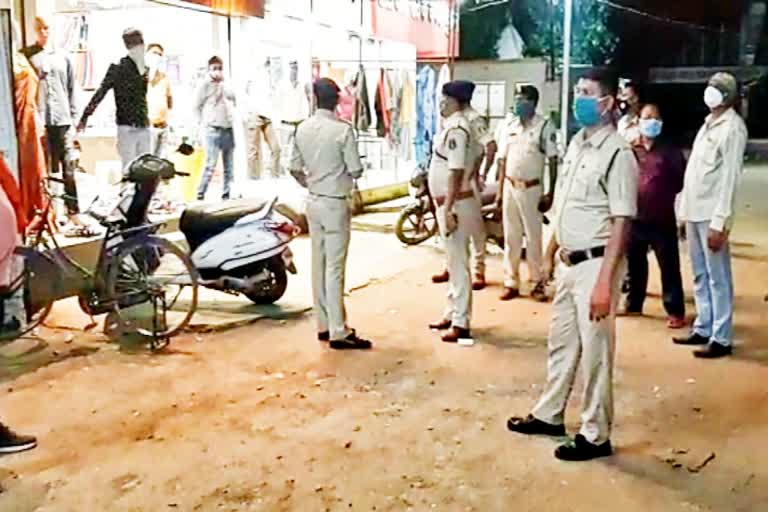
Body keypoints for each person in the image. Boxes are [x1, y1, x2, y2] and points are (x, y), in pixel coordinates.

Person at [507, 69, 638, 461]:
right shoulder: (578, 145)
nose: (579, 98)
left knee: (596, 352)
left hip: (595, 266)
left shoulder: (618, 153)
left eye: (588, 93)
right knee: (561, 343)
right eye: (577, 91)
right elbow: (563, 205)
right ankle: (550, 414)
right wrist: (547, 254)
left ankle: (596, 435)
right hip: (567, 262)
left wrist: (604, 283)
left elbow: (621, 221)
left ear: (608, 102)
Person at [289, 78, 372, 350]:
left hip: (313, 200)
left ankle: (323, 325)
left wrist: (312, 184)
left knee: (318, 263)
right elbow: (356, 169)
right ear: (336, 100)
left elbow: (294, 168)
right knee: (335, 268)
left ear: (314, 98)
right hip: (336, 202)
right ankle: (339, 330)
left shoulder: (302, 129)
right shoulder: (343, 131)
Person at [673, 72, 748, 359]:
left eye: (717, 88)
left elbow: (729, 179)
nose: (710, 92)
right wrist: (682, 211)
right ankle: (703, 326)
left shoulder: (732, 128)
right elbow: (695, 173)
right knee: (700, 274)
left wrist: (721, 223)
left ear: (728, 96)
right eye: (710, 86)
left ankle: (722, 337)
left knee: (718, 277)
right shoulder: (708, 125)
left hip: (711, 214)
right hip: (694, 210)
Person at [427, 81, 485, 343]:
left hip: (456, 203)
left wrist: (448, 207)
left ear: (455, 101)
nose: (441, 103)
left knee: (459, 263)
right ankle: (452, 312)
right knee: (453, 261)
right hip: (451, 202)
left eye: (444, 99)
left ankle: (461, 322)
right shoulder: (454, 126)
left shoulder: (458, 129)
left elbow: (456, 170)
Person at [622, 104, 686, 328]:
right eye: (647, 117)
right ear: (638, 121)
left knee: (669, 266)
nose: (651, 122)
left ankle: (675, 311)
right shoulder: (630, 149)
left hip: (662, 218)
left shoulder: (670, 151)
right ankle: (633, 303)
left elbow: (679, 183)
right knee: (634, 264)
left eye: (656, 118)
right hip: (635, 217)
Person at [495, 85, 558, 302]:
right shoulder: (510, 126)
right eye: (517, 99)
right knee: (511, 237)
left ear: (533, 102)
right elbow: (503, 159)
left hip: (532, 188)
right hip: (510, 187)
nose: (518, 103)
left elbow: (552, 159)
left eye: (523, 99)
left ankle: (536, 282)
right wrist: (499, 189)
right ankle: (510, 281)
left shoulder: (544, 127)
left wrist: (550, 192)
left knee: (533, 237)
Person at [431, 81, 495, 291]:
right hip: (452, 184)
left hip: (465, 184)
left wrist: (479, 173)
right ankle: (450, 267)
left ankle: (479, 269)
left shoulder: (472, 120)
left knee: (476, 229)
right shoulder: (451, 120)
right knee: (453, 238)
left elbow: (489, 147)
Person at [23, 15, 83, 233]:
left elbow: (71, 88)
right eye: (40, 29)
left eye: (47, 28)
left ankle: (73, 211)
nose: (44, 32)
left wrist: (75, 120)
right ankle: (50, 212)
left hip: (63, 119)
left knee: (68, 167)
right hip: (41, 120)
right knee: (47, 169)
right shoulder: (28, 56)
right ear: (35, 30)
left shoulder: (63, 57)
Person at [78, 28, 150, 173]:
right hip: (127, 125)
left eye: (141, 42)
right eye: (137, 43)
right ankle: (127, 194)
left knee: (145, 168)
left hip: (143, 123)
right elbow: (100, 92)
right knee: (129, 168)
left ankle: (141, 194)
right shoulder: (118, 68)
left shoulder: (144, 68)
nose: (141, 46)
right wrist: (86, 115)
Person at [195, 56, 236, 201]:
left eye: (219, 68)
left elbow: (234, 97)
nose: (217, 71)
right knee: (210, 165)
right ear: (209, 70)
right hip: (212, 130)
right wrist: (201, 125)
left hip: (227, 128)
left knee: (229, 166)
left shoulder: (225, 85)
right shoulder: (204, 86)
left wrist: (224, 84)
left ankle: (227, 194)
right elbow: (196, 107)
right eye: (214, 68)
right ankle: (200, 193)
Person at [245, 59, 281, 179]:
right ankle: (253, 179)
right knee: (253, 151)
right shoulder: (253, 72)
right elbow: (245, 92)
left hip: (267, 115)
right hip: (254, 113)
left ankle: (274, 177)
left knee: (276, 148)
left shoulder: (272, 75)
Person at [145, 44, 173, 158]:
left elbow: (169, 100)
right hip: (147, 128)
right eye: (154, 53)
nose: (157, 57)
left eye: (159, 55)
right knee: (148, 164)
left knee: (161, 164)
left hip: (163, 126)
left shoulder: (164, 78)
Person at [617, 81, 641, 145]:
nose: (620, 99)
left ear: (636, 97)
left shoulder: (648, 122)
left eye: (624, 95)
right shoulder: (622, 122)